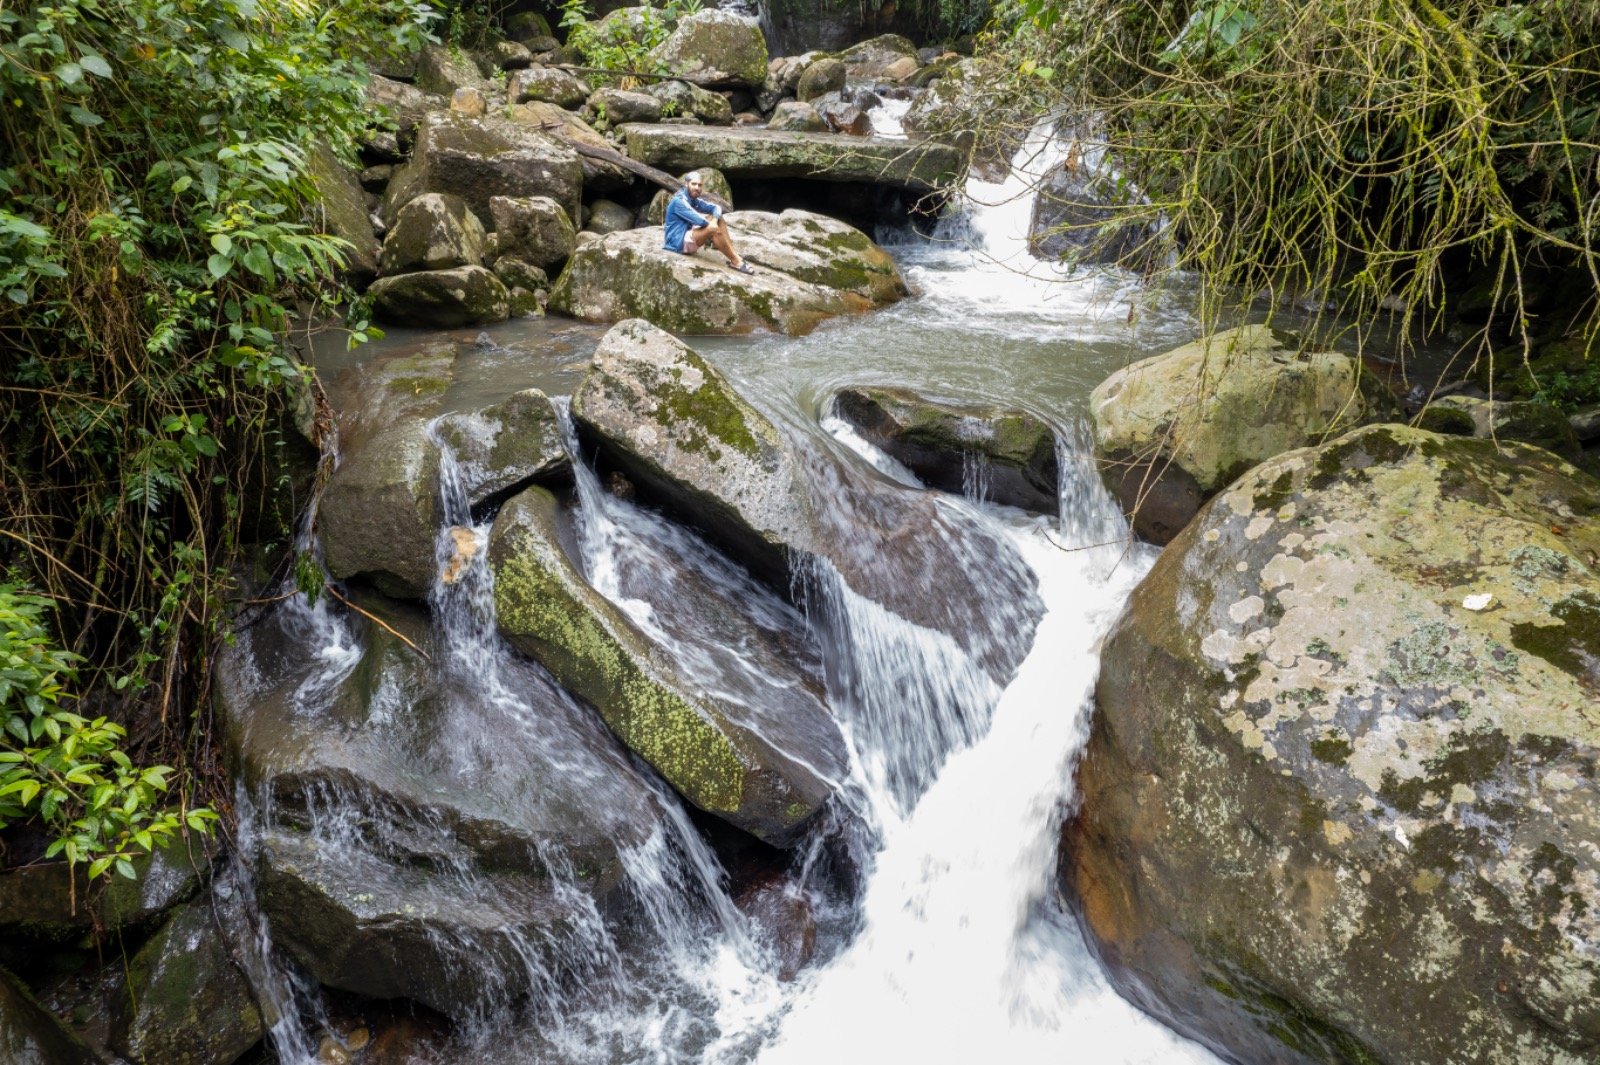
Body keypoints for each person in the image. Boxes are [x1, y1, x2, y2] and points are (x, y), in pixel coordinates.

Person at [662, 172, 753, 274]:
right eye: (694, 184)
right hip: (677, 243)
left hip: (686, 233)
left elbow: (716, 207)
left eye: (699, 185)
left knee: (719, 218)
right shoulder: (679, 201)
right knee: (712, 229)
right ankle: (736, 261)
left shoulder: (693, 199)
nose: (697, 187)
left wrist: (714, 220)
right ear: (686, 184)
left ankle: (735, 256)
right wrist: (712, 224)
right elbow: (700, 221)